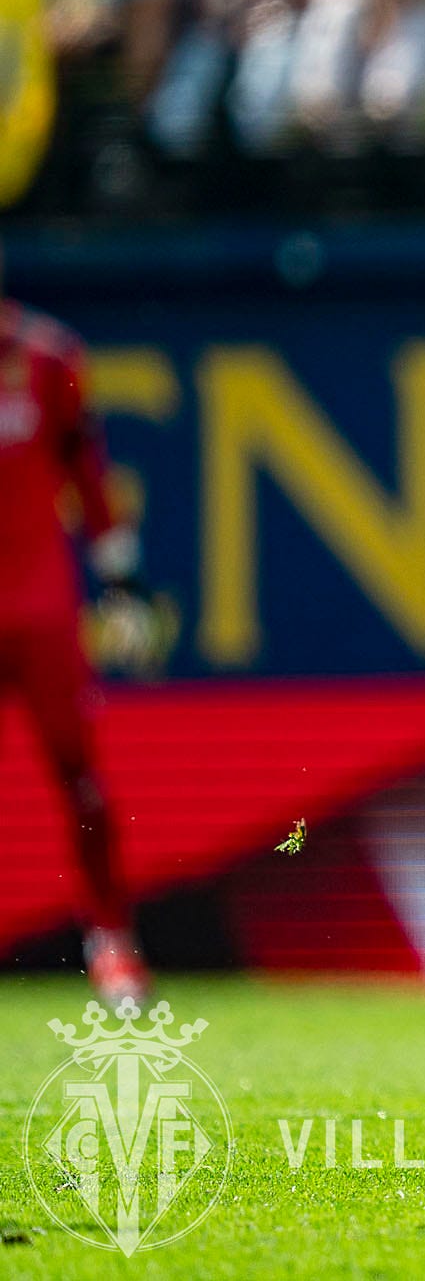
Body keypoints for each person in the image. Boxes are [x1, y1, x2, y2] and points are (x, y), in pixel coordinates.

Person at [0, 247, 158, 1009]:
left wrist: (121, 586)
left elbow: (89, 480)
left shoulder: (47, 358)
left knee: (80, 777)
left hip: (38, 610)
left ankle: (112, 940)